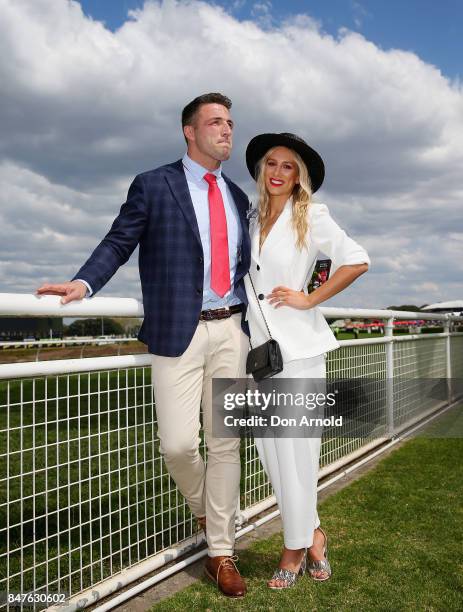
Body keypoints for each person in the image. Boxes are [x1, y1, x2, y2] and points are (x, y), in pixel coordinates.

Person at [36, 93, 252, 598]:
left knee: (226, 444)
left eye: (230, 123)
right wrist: (84, 283)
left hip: (233, 330)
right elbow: (119, 240)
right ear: (189, 131)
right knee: (178, 445)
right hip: (179, 329)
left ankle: (221, 550)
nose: (226, 131)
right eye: (215, 122)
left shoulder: (238, 196)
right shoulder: (154, 185)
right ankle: (209, 508)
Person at [244, 132, 370, 588]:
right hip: (256, 356)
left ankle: (294, 547)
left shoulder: (311, 215)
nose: (277, 172)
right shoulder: (249, 216)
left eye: (288, 166)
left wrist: (309, 297)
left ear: (300, 177)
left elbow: (356, 260)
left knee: (297, 453)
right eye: (271, 164)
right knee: (271, 454)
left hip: (298, 351)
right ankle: (314, 534)